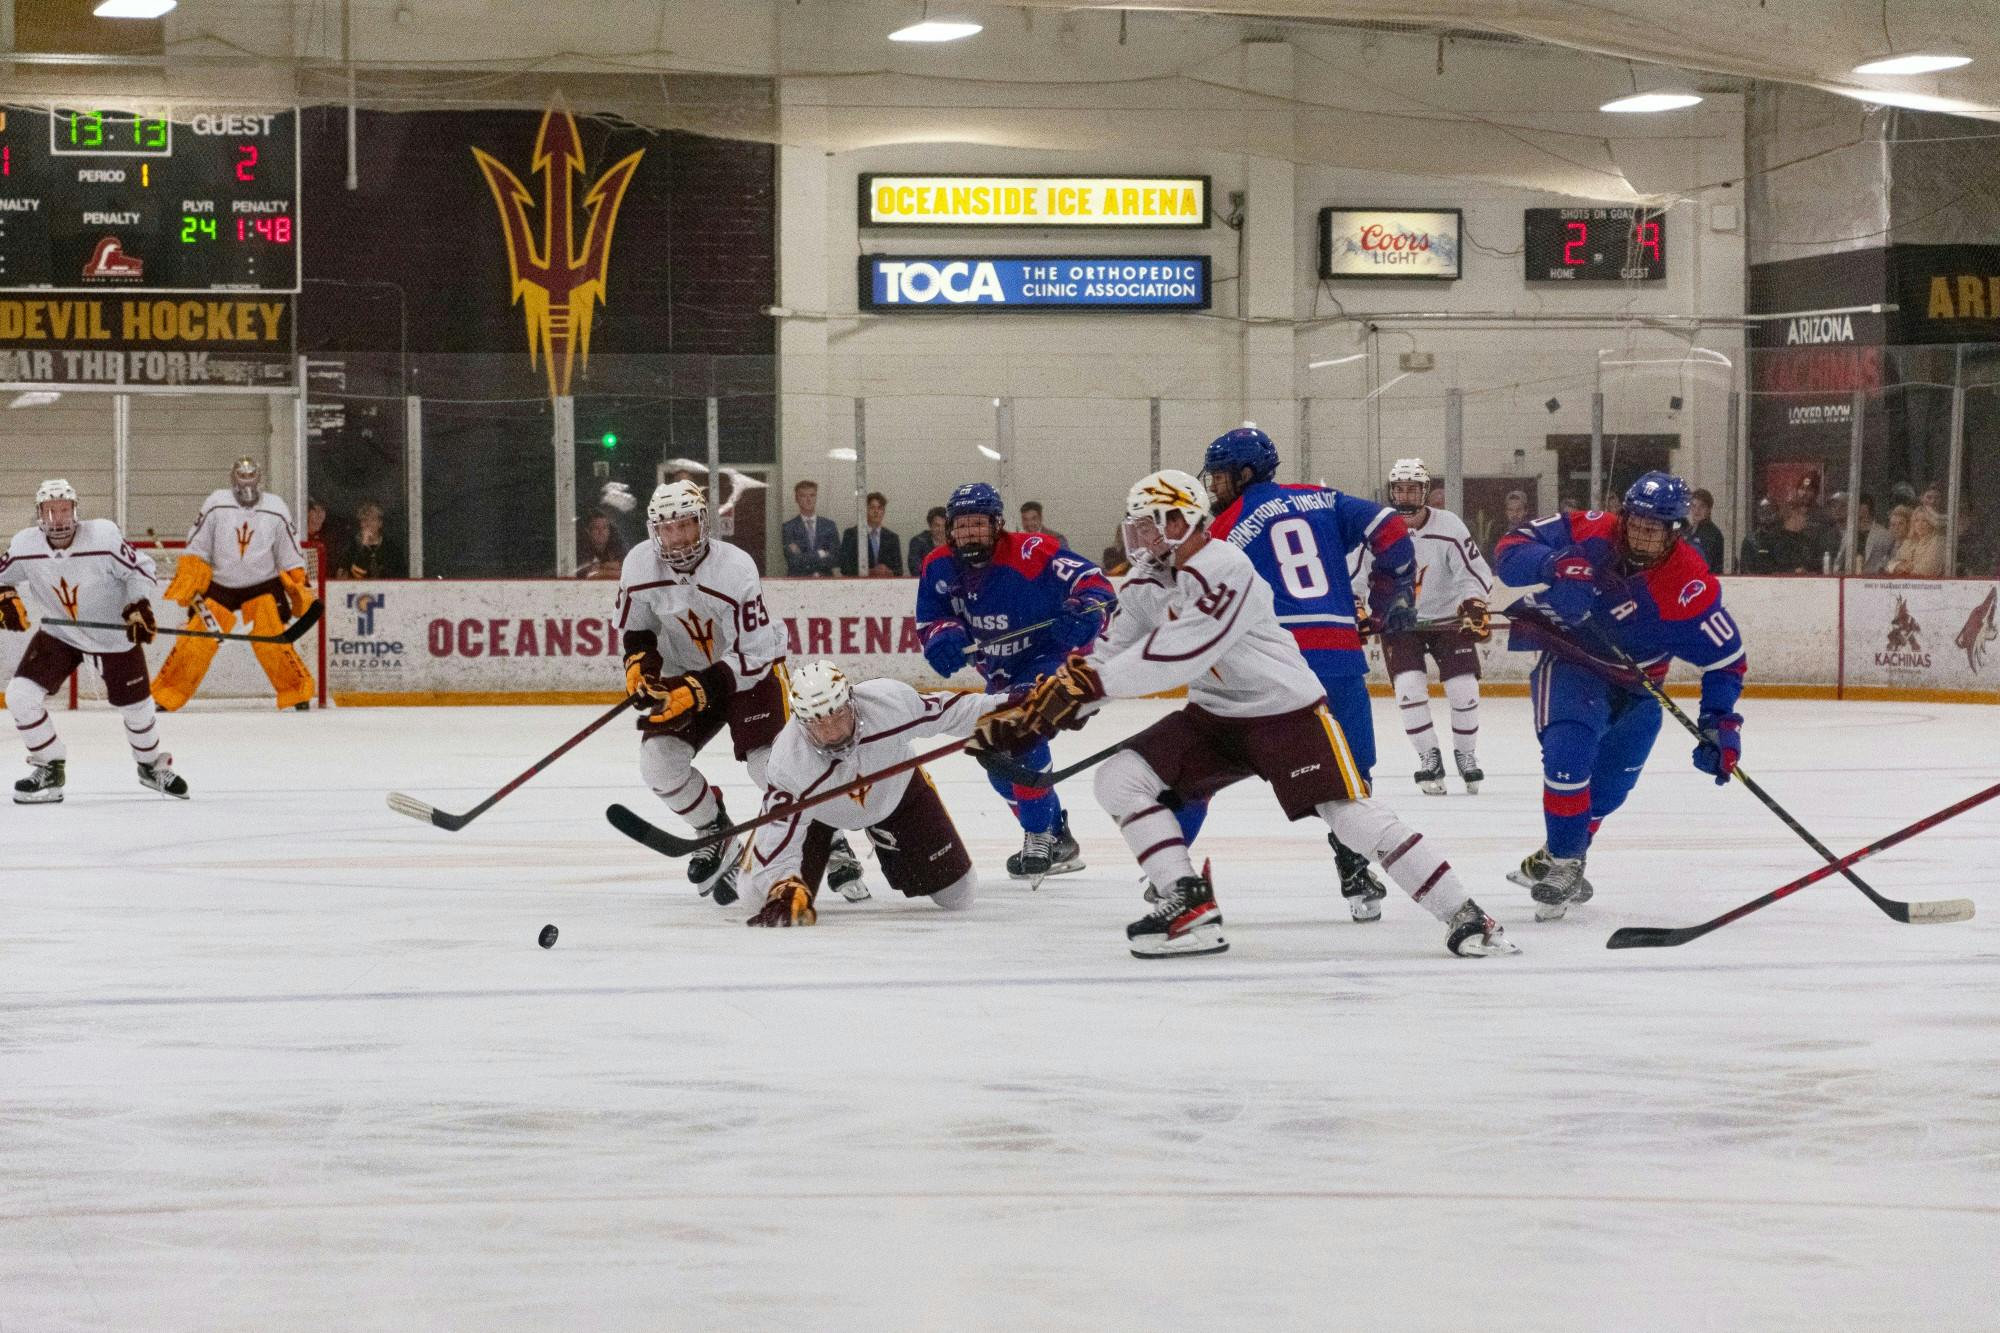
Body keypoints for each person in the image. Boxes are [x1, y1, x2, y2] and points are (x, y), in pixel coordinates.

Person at [974, 470, 1515, 960]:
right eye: (1136, 527)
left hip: (1287, 713)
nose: (1140, 539)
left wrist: (1089, 687)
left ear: (1182, 520)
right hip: (1214, 715)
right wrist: (1037, 712)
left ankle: (1466, 914)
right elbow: (1110, 652)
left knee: (1348, 815)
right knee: (1119, 779)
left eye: (1150, 526)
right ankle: (1187, 904)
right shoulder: (1144, 582)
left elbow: (1183, 652)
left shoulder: (1226, 566)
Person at [1492, 471, 1748, 920]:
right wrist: (1556, 564)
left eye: (1655, 529)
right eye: (1636, 522)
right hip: (1574, 659)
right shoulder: (1593, 527)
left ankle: (1554, 856)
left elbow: (1726, 659)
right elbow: (1509, 549)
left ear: (1676, 532)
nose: (1641, 535)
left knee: (1608, 792)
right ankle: (1568, 862)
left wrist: (1719, 723)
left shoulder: (1690, 585)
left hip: (1640, 685)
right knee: (1567, 750)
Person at [1199, 426, 1418, 923]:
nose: (1214, 487)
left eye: (1219, 476)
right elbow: (1390, 528)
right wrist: (1393, 593)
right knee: (1353, 770)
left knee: (1206, 762)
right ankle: (1354, 864)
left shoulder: (1224, 529)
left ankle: (1168, 871)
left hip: (1273, 666)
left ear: (1246, 473)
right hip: (1338, 656)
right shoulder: (1320, 497)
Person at [616, 481, 866, 906]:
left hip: (749, 673)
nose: (677, 538)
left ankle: (830, 835)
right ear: (654, 530)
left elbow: (753, 654)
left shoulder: (735, 568)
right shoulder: (639, 565)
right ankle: (715, 831)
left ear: (703, 524)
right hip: (685, 675)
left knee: (769, 767)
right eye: (668, 529)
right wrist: (640, 665)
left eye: (686, 526)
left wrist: (696, 689)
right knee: (659, 762)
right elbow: (638, 631)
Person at [916, 481, 1115, 883]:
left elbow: (1096, 586)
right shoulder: (938, 565)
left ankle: (1038, 833)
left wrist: (1086, 609)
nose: (970, 532)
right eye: (962, 525)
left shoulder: (1032, 551)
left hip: (1055, 656)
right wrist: (944, 638)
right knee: (993, 756)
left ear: (997, 524)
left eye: (978, 524)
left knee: (1021, 731)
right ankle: (1058, 838)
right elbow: (931, 618)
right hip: (1000, 671)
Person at [742, 662, 1000, 926]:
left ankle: (880, 825)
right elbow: (778, 837)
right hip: (818, 816)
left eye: (838, 715)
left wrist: (1015, 706)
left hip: (896, 794)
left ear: (851, 702)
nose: (832, 732)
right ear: (801, 722)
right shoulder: (788, 761)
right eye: (818, 722)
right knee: (756, 899)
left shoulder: (887, 703)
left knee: (958, 895)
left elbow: (954, 711)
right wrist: (782, 885)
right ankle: (831, 839)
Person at [2, 479, 187, 802]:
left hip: (111, 636)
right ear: (39, 514)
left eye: (63, 509)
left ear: (75, 511)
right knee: (19, 696)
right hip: (60, 633)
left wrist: (138, 604)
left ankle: (149, 767)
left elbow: (140, 570)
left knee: (138, 709)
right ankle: (50, 767)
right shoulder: (24, 545)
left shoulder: (103, 537)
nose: (58, 518)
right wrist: (4, 596)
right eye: (50, 511)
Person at [1355, 458, 1494, 795]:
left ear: (1425, 492)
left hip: (1447, 620)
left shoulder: (1448, 526)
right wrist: (1356, 607)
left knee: (1464, 689)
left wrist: (1474, 602)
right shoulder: (1376, 529)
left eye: (1412, 488)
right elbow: (1357, 576)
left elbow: (1472, 573)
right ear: (1391, 491)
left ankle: (1466, 754)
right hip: (1399, 621)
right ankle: (1428, 757)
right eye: (1399, 488)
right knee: (1409, 689)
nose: (1405, 495)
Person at [152, 458, 317, 712]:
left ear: (259, 478)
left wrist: (298, 581)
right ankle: (167, 693)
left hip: (263, 583)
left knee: (271, 636)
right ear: (233, 478)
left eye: (251, 476)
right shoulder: (217, 503)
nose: (246, 483)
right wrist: (191, 573)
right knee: (197, 638)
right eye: (242, 476)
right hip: (221, 584)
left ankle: (297, 692)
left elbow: (289, 551)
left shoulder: (276, 507)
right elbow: (198, 544)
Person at [782, 481, 840, 578]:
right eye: (803, 496)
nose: (808, 500)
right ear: (796, 499)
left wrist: (804, 557)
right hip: (798, 583)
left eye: (812, 495)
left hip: (825, 581)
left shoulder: (829, 525)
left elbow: (835, 558)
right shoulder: (788, 527)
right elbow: (794, 561)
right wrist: (821, 553)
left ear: (816, 497)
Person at [338, 501, 407, 579]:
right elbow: (342, 577)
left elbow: (401, 579)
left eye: (373, 519)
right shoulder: (352, 546)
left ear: (380, 523)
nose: (368, 524)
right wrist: (364, 545)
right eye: (364, 520)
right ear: (360, 524)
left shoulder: (391, 548)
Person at [841, 491, 903, 577]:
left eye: (880, 508)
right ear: (864, 510)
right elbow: (845, 568)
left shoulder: (892, 538)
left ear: (884, 512)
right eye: (872, 508)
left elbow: (899, 570)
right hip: (858, 586)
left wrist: (888, 572)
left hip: (886, 587)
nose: (876, 511)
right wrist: (869, 572)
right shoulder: (851, 534)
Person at [1762, 499, 1825, 573]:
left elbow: (1816, 565)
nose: (1807, 519)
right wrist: (1793, 572)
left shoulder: (1808, 541)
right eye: (1804, 515)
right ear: (1793, 515)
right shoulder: (1773, 540)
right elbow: (1769, 568)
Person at [1886, 505, 1945, 577]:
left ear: (1931, 523)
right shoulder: (1909, 542)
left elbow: (1927, 570)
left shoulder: (1938, 541)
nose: (1920, 524)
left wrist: (1905, 566)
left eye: (1924, 520)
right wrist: (1898, 566)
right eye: (1917, 520)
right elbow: (1889, 566)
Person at [576, 512, 626, 579]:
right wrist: (610, 567)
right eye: (596, 528)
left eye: (604, 528)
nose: (601, 532)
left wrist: (601, 568)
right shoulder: (581, 549)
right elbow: (590, 574)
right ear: (588, 531)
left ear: (609, 531)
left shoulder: (615, 546)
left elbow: (626, 570)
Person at [304, 498, 348, 572]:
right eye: (315, 510)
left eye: (322, 510)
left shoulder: (329, 539)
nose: (320, 515)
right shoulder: (297, 535)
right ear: (306, 512)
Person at [1686, 488, 1725, 570]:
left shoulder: (1712, 534)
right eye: (1693, 505)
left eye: (1702, 506)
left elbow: (1705, 563)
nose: (1697, 510)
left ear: (1709, 509)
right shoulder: (1688, 531)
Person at [906, 506, 948, 571]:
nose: (941, 530)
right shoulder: (918, 542)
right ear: (930, 526)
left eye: (945, 526)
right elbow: (915, 569)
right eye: (937, 525)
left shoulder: (956, 542)